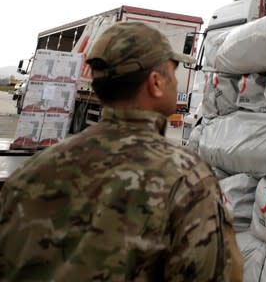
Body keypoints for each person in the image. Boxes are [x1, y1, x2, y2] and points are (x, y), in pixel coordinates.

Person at [0, 22, 243, 281]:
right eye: (173, 72)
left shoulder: (34, 170)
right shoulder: (187, 179)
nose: (176, 80)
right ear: (156, 82)